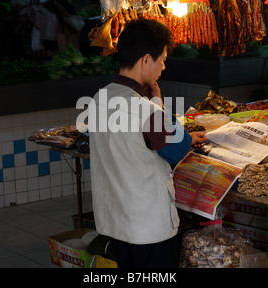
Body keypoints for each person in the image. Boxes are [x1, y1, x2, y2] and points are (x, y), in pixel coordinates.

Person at [87, 18, 207, 268]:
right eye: (161, 59)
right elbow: (176, 149)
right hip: (147, 230)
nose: (162, 67)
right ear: (145, 60)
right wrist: (158, 104)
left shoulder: (101, 97)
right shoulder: (143, 109)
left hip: (115, 223)